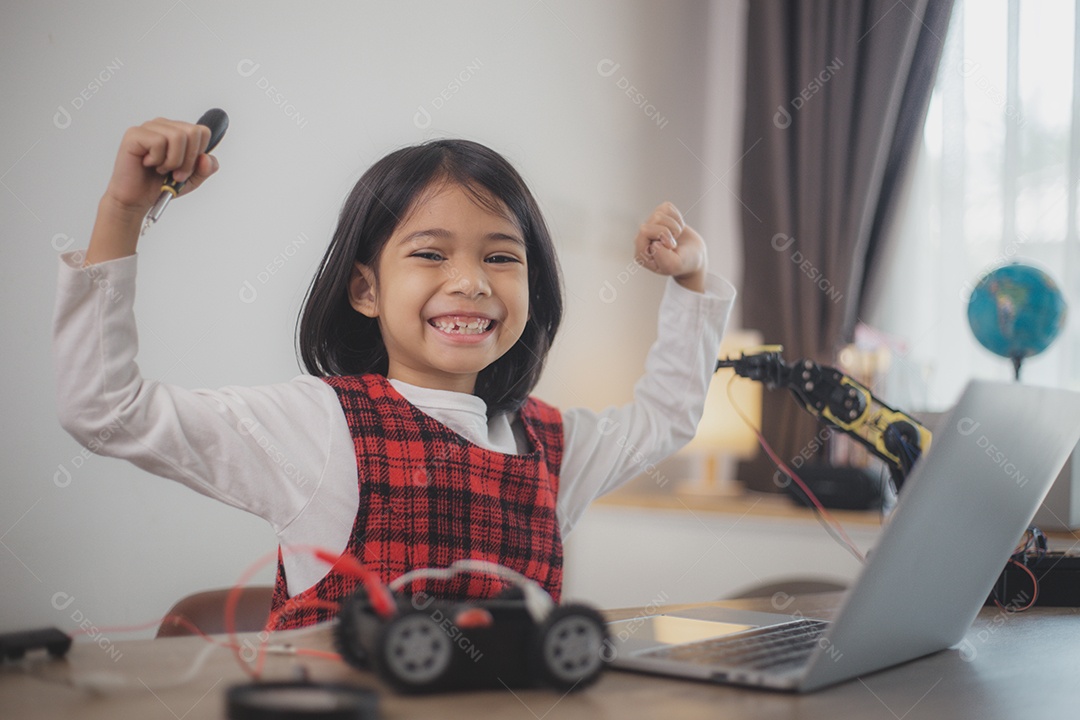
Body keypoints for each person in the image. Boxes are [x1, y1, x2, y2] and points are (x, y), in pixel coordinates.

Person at [54, 117, 735, 630]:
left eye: (501, 258)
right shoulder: (320, 426)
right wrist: (123, 211)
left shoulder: (554, 449)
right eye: (431, 254)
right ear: (365, 290)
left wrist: (694, 280)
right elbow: (105, 410)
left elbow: (668, 416)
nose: (470, 281)